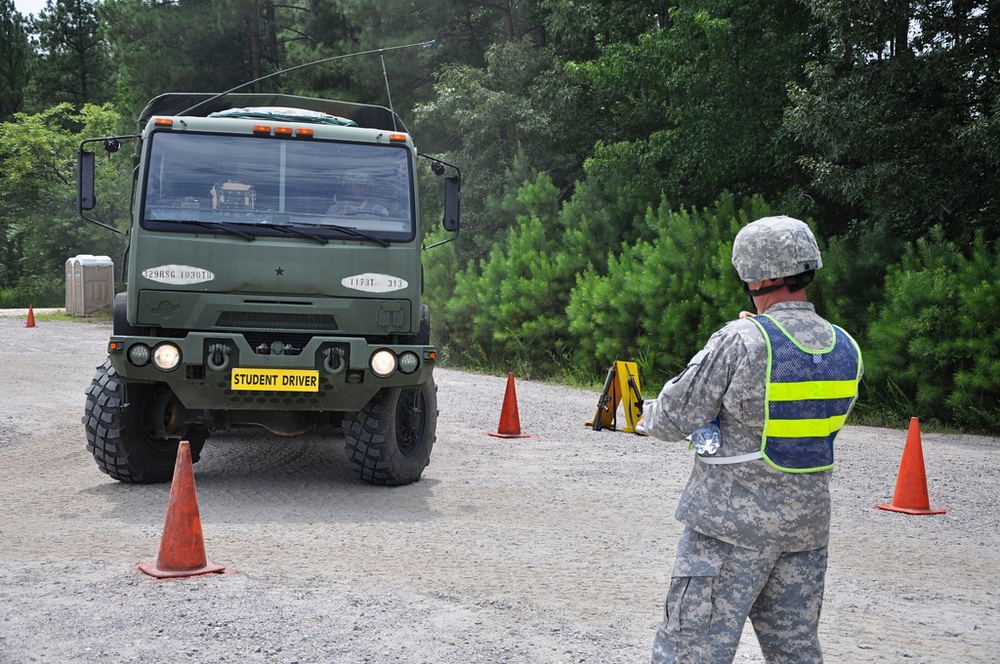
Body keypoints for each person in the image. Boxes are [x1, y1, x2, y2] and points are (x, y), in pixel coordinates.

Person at [641, 216, 863, 663]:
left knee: (691, 650)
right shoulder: (844, 347)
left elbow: (670, 420)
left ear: (758, 275)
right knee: (795, 652)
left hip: (728, 531)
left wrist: (640, 412)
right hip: (804, 530)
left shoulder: (741, 340)